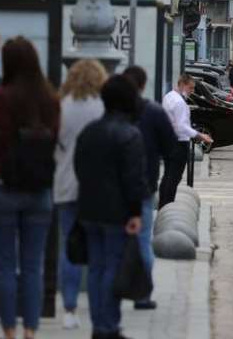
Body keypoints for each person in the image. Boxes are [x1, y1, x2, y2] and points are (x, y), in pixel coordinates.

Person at [0, 37, 61, 339]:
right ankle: (31, 331)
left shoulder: (1, 97)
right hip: (39, 192)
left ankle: (9, 330)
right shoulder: (51, 100)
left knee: (3, 265)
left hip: (3, 189)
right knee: (32, 265)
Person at [74, 75, 150, 339]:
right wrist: (135, 212)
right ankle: (108, 326)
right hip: (117, 213)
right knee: (112, 268)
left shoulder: (89, 131)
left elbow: (79, 168)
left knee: (95, 268)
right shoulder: (130, 134)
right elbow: (133, 179)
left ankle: (99, 324)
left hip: (89, 209)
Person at [53, 59, 107, 330]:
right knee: (97, 247)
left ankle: (69, 307)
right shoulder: (101, 107)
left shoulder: (61, 106)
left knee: (68, 247)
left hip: (65, 183)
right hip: (95, 187)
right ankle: (98, 307)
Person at [123, 66, 177, 310]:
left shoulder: (113, 111)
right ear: (144, 85)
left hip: (115, 187)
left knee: (114, 241)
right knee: (143, 240)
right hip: (144, 185)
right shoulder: (154, 113)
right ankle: (142, 295)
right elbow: (171, 148)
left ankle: (109, 291)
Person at [159, 74, 213, 209]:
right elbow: (182, 126)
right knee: (174, 178)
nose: (192, 91)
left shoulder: (169, 96)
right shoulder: (179, 103)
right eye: (191, 88)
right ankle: (167, 205)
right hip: (179, 143)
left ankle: (163, 204)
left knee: (168, 175)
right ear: (182, 84)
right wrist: (200, 135)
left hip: (168, 141)